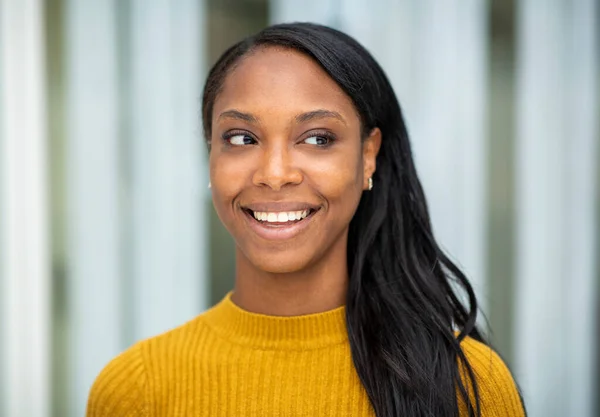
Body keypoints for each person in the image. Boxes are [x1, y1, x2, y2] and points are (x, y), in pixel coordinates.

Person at [86, 22, 526, 417]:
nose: (275, 174)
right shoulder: (135, 390)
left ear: (368, 156)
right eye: (241, 138)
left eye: (318, 138)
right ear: (211, 155)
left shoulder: (470, 386)